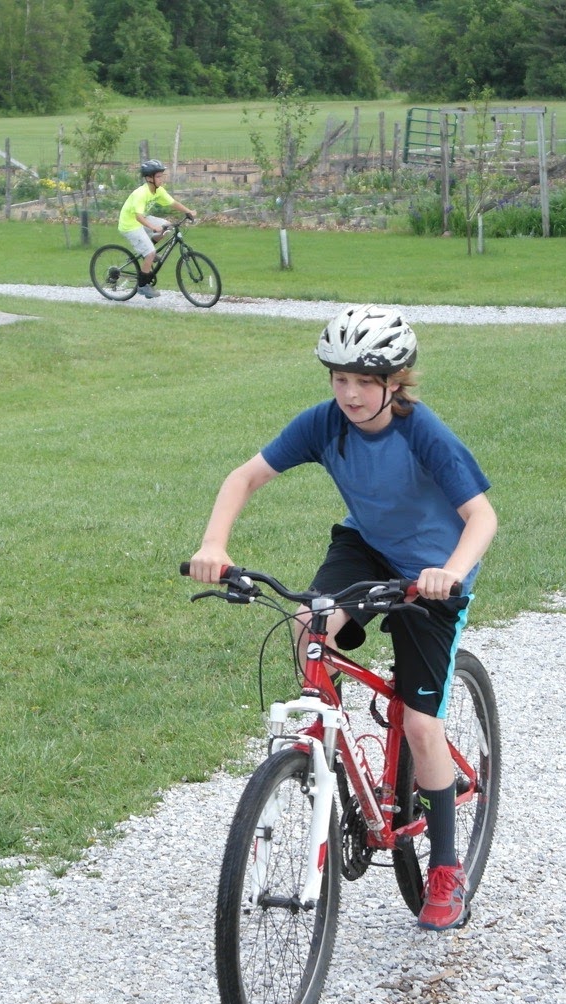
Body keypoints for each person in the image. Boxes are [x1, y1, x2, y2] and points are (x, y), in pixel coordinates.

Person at [187, 304, 498, 931]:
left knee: (418, 724)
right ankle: (323, 744)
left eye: (364, 380)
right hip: (365, 548)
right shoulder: (324, 424)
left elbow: (482, 517)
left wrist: (451, 574)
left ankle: (444, 867)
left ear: (395, 380)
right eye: (339, 379)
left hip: (431, 574)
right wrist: (214, 545)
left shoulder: (422, 431)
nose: (350, 394)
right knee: (309, 622)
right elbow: (244, 478)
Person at [117, 159, 196, 299]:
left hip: (141, 221)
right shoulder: (141, 193)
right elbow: (138, 217)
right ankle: (142, 285)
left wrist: (188, 211)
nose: (161, 179)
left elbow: (172, 203)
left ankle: (146, 251)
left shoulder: (158, 191)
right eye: (158, 176)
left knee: (166, 227)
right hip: (129, 224)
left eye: (162, 176)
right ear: (149, 178)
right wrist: (153, 227)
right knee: (150, 252)